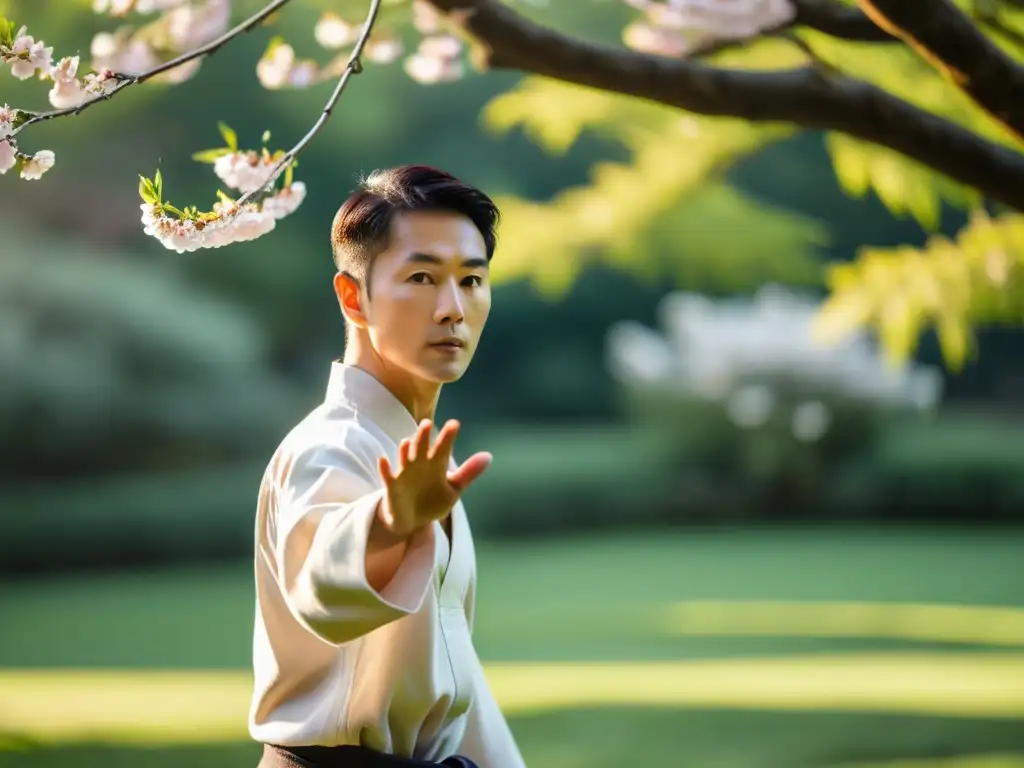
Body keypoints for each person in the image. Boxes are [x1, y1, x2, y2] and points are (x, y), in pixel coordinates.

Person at [249, 165, 528, 768]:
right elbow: (322, 589)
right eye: (422, 277)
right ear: (353, 296)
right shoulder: (330, 445)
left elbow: (453, 678)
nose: (453, 308)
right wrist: (387, 522)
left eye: (472, 280)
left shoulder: (412, 453)